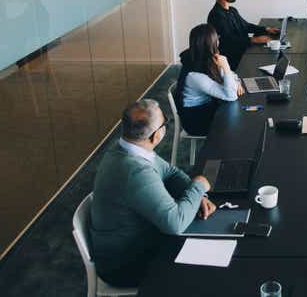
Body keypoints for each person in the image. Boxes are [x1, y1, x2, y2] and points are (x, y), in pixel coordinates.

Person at [90, 99, 215, 287]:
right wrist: (197, 187)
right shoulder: (135, 172)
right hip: (125, 264)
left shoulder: (128, 148)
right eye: (165, 123)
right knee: (205, 270)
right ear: (156, 136)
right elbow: (175, 223)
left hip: (138, 239)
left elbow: (170, 173)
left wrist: (198, 198)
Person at [174, 24, 244, 136]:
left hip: (208, 107)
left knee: (240, 113)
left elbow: (233, 75)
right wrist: (225, 66)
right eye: (217, 39)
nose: (219, 41)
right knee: (240, 122)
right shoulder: (194, 75)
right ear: (212, 43)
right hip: (196, 120)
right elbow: (231, 96)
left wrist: (236, 81)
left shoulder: (202, 58)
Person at [207, 0, 279, 69]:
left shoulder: (232, 10)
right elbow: (228, 40)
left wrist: (266, 29)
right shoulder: (216, 15)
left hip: (242, 51)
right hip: (233, 59)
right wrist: (254, 40)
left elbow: (245, 26)